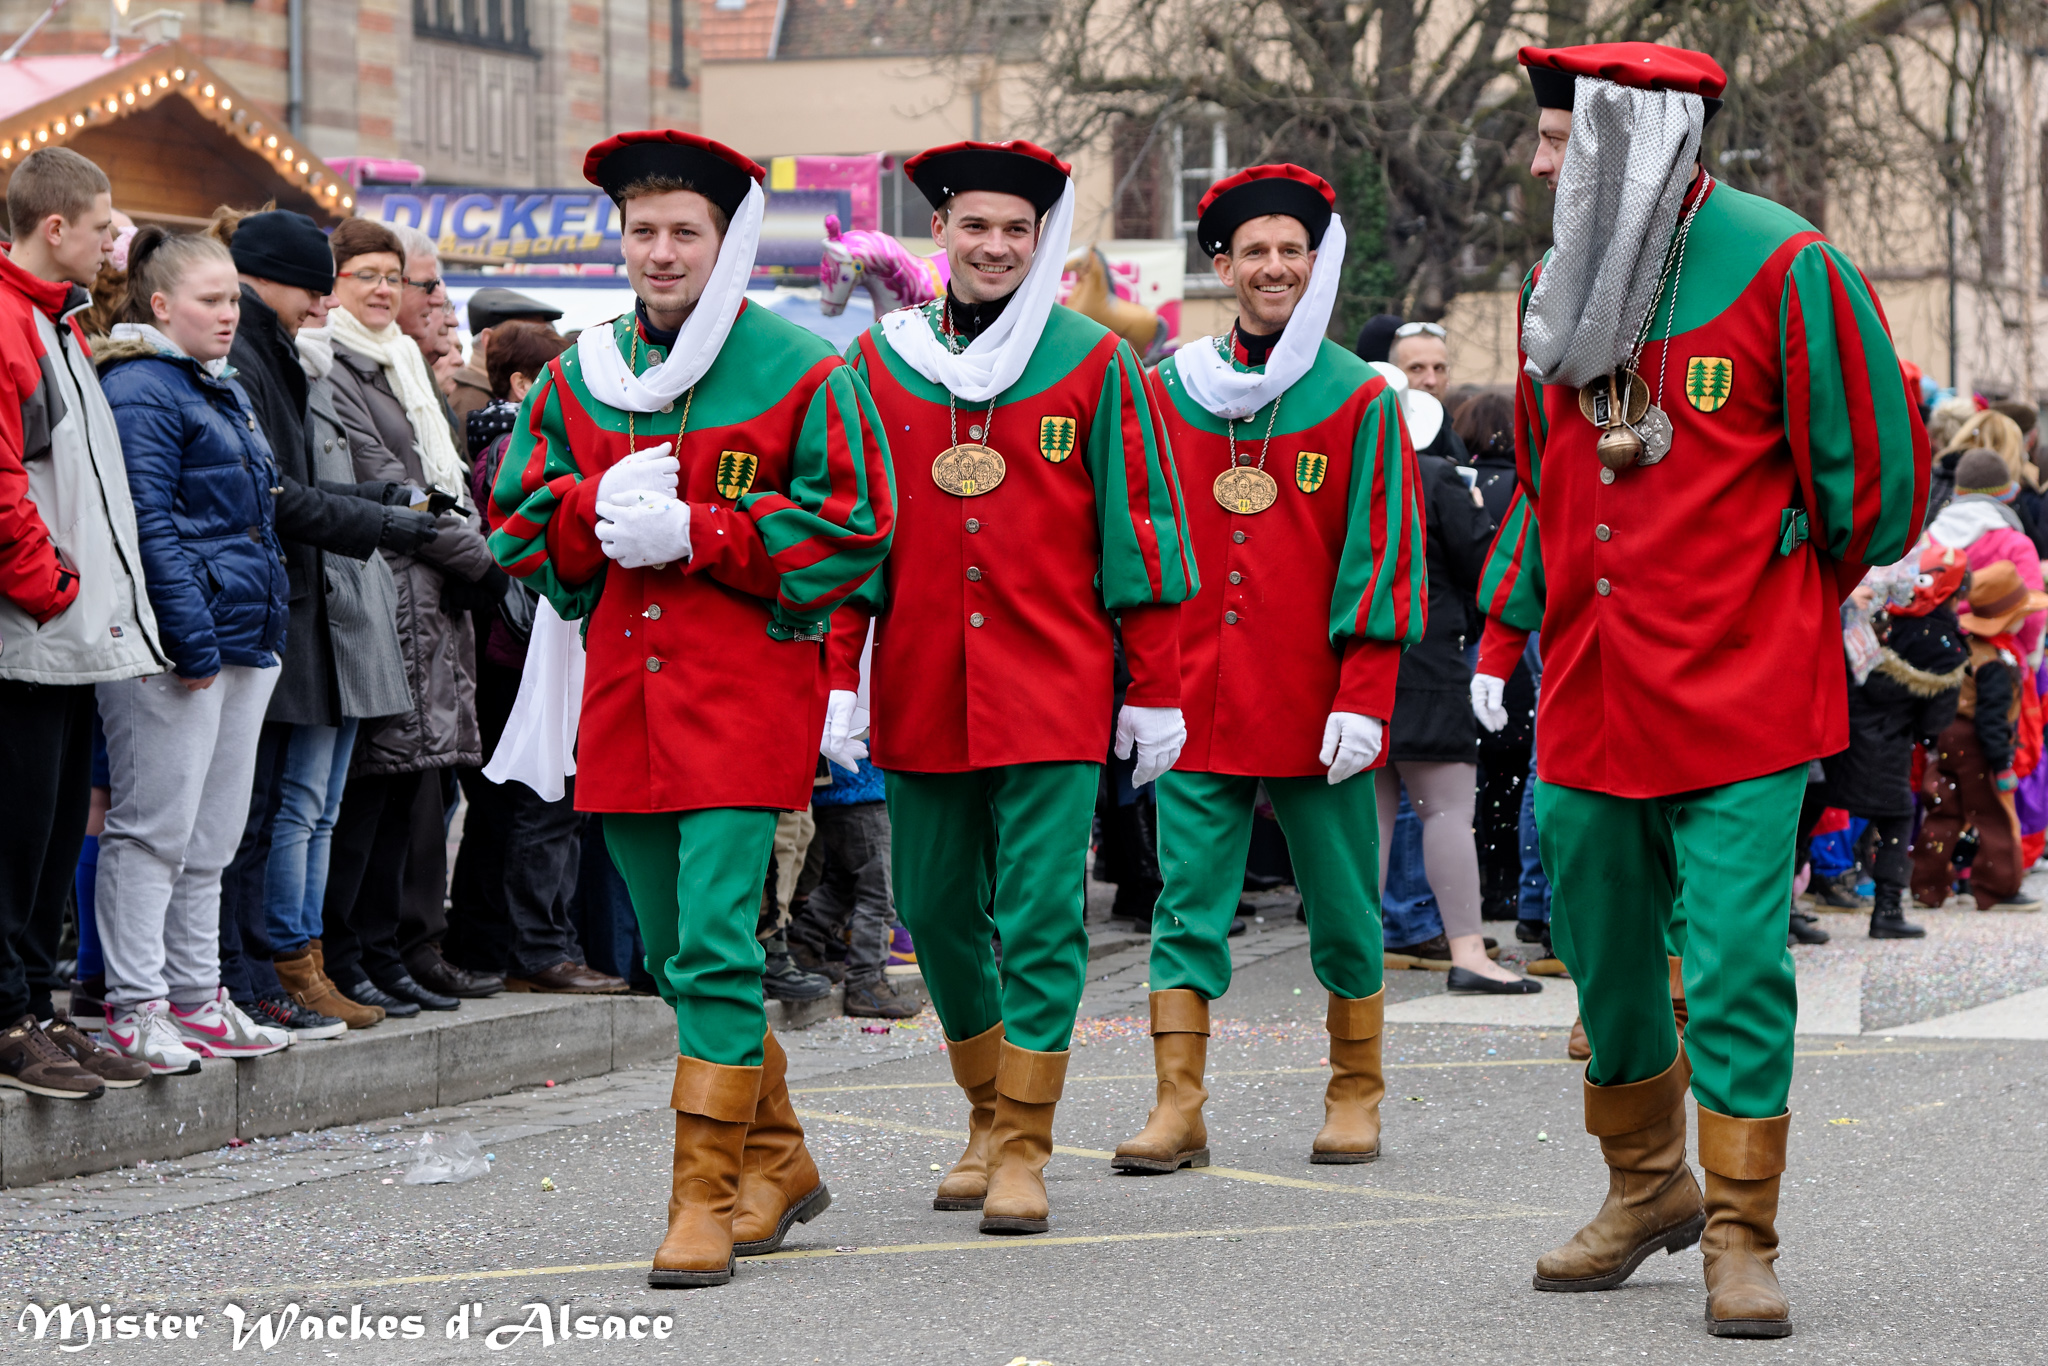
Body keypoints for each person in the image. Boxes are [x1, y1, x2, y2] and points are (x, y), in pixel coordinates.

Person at [1473, 42, 1928, 1337]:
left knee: (1730, 959)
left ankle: (1741, 1231)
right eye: (1544, 139)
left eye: (1565, 139)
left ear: (1641, 138)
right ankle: (1647, 1185)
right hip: (1595, 683)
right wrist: (1512, 641)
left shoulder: (1790, 264)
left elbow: (1876, 487)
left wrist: (1782, 583)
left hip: (1741, 686)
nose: (1543, 163)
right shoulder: (1556, 283)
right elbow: (1549, 481)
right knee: (1607, 959)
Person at [489, 130, 894, 1287]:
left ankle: (702, 1201)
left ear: (725, 244)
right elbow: (516, 524)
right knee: (673, 954)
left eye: (684, 232)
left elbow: (854, 525)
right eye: (642, 231)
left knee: (714, 946)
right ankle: (780, 1161)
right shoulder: (580, 374)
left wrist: (706, 533)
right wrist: (587, 509)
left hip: (740, 702)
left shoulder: (801, 366)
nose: (660, 252)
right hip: (619, 702)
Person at [830, 139, 1197, 1236]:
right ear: (936, 234)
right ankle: (983, 1114)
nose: (993, 246)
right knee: (937, 913)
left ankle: (1022, 1146)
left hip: (1053, 684)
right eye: (973, 226)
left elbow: (1142, 524)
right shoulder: (876, 364)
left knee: (1040, 915)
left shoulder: (1093, 362)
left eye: (1015, 230)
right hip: (920, 687)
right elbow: (851, 531)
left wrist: (1157, 685)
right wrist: (835, 672)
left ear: (1040, 243)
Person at [1109, 163, 1422, 1177]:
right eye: (1254, 252)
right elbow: (1141, 539)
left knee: (1339, 903)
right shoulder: (1168, 394)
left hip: (1313, 700)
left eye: (1291, 250)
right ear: (1221, 267)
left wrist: (1365, 695)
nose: (1273, 267)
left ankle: (1355, 1090)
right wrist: (1142, 682)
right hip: (1194, 699)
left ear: (1312, 262)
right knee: (1182, 900)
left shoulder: (1356, 400)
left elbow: (1383, 548)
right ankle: (1177, 1106)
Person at [207, 207, 448, 1040]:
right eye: (318, 285)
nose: (324, 302)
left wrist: (386, 506)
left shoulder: (282, 353)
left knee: (308, 805)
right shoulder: (260, 357)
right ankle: (268, 967)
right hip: (290, 608)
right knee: (273, 809)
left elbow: (299, 487)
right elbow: (273, 497)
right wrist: (387, 517)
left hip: (314, 604)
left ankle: (291, 961)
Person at [94, 227, 299, 1072]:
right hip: (181, 644)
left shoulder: (219, 386)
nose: (228, 314)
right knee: (153, 831)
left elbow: (255, 514)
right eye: (211, 301)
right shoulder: (143, 387)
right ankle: (136, 1005)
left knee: (211, 834)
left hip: (241, 636)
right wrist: (191, 639)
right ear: (161, 304)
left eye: (232, 300)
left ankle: (196, 995)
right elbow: (148, 523)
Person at [0, 148, 164, 1099]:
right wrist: (52, 589)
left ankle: (33, 1001)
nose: (116, 242)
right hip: (29, 631)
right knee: (18, 833)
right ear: (53, 227)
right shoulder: (15, 322)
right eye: (104, 226)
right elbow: (5, 483)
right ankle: (7, 1011)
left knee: (56, 829)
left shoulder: (56, 321)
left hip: (63, 631)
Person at [321, 217, 507, 1019]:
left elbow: (440, 482)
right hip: (384, 597)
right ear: (333, 282)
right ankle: (352, 952)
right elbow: (393, 486)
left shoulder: (399, 365)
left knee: (410, 800)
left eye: (391, 275)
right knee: (365, 802)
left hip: (427, 603)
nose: (382, 289)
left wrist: (461, 544)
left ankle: (392, 951)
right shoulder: (332, 366)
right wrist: (476, 554)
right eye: (364, 273)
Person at [448, 320, 625, 995]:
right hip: (521, 652)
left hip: (530, 648)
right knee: (541, 802)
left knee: (534, 805)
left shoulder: (530, 442)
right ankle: (537, 948)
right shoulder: (511, 448)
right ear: (524, 383)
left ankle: (511, 943)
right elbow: (525, 545)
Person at [1374, 362, 1534, 993]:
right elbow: (1483, 569)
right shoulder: (1435, 478)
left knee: (1373, 814)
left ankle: (1354, 958)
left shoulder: (1330, 479)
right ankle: (1469, 954)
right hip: (1433, 660)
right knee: (1444, 811)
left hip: (1358, 666)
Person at [1825, 544, 1968, 938]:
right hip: (1885, 747)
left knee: (1809, 814)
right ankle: (1887, 909)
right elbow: (1934, 719)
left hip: (1835, 734)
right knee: (1897, 819)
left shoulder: (1869, 621)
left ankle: (1782, 915)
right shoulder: (1945, 646)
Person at [1910, 560, 2046, 911]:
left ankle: (1926, 886)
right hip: (1977, 745)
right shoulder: (1997, 661)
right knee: (1995, 816)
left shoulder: (1964, 647)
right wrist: (2001, 764)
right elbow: (1992, 719)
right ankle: (1999, 888)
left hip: (1947, 737)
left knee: (1945, 812)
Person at [449, 286, 563, 421]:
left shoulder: (492, 398)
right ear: (489, 340)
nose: (542, 343)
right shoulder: (470, 406)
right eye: (529, 334)